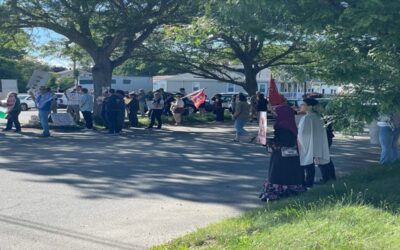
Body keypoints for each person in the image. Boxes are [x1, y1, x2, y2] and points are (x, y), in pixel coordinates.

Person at [259, 102, 305, 201]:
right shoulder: (288, 123)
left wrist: (268, 142)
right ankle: (291, 189)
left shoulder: (283, 126)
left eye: (276, 112)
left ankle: (280, 191)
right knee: (289, 174)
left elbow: (283, 142)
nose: (274, 114)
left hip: (283, 156)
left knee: (280, 174)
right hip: (291, 155)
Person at [297, 98, 331, 188]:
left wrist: (299, 143)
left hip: (307, 144)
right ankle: (326, 180)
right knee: (315, 162)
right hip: (317, 143)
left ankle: (307, 183)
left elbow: (302, 134)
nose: (301, 106)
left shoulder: (307, 118)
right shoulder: (318, 117)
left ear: (310, 107)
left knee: (307, 163)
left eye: (303, 104)